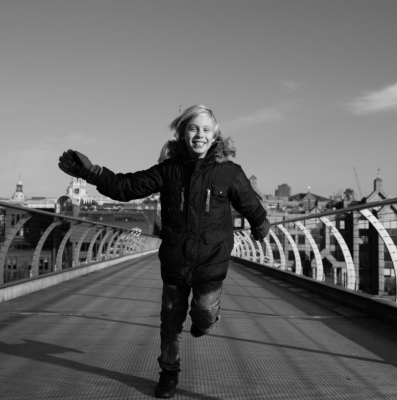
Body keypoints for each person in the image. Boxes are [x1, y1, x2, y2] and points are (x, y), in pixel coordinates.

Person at [58, 104, 270, 398]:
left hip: (211, 259)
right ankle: (168, 374)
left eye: (206, 130)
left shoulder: (229, 173)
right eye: (193, 128)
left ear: (215, 135)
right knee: (170, 322)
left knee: (205, 312)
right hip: (175, 259)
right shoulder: (169, 171)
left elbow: (249, 203)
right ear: (183, 133)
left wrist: (260, 225)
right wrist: (92, 173)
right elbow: (126, 187)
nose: (200, 135)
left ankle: (205, 321)